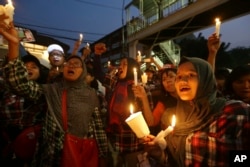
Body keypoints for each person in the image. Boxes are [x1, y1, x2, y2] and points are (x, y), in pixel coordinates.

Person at [2, 23, 108, 167]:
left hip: (80, 155)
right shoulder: (50, 90)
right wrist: (14, 45)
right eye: (68, 64)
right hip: (52, 157)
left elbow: (98, 128)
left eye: (76, 64)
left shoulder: (92, 95)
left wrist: (103, 156)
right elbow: (20, 84)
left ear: (83, 72)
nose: (71, 65)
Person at [144, 57, 250, 166]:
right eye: (179, 76)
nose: (182, 81)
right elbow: (173, 161)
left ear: (205, 79)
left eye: (191, 75)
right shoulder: (172, 117)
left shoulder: (236, 112)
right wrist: (160, 156)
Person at [0, 20, 47, 166]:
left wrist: (14, 44)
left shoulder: (41, 91)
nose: (28, 69)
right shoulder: (5, 87)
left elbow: (20, 83)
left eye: (34, 67)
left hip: (30, 147)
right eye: (25, 66)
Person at [106, 56, 144, 167]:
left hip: (133, 144)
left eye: (124, 64)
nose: (120, 66)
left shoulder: (139, 89)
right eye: (120, 64)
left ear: (132, 67)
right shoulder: (115, 86)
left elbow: (147, 118)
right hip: (116, 142)